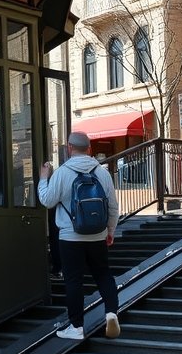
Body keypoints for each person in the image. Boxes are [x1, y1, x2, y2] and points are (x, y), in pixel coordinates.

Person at [37, 131, 120, 341]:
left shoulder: (62, 173)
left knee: (74, 281)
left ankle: (76, 327)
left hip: (70, 237)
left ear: (69, 148)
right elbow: (113, 206)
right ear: (90, 149)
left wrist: (43, 179)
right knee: (103, 274)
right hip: (97, 235)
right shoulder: (101, 173)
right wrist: (110, 231)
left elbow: (47, 201)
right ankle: (111, 313)